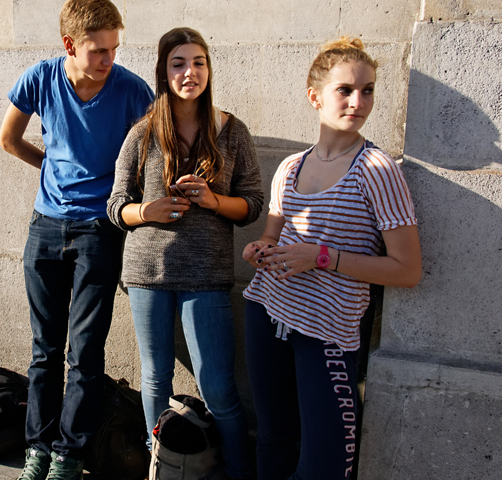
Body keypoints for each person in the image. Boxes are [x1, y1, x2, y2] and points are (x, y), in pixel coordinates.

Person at [241, 37, 422, 480]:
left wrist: (323, 257)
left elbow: (407, 270)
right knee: (273, 438)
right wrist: (257, 250)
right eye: (345, 89)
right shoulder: (290, 167)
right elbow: (271, 236)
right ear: (315, 96)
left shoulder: (376, 170)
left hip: (328, 333)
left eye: (369, 90)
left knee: (324, 465)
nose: (359, 101)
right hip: (267, 313)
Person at [0, 0, 154, 480]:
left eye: (114, 49)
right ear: (70, 43)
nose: (109, 59)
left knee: (85, 352)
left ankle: (69, 453)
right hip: (45, 229)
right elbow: (8, 138)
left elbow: (153, 156)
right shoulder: (40, 78)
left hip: (99, 231)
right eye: (98, 50)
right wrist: (50, 167)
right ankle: (37, 449)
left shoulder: (131, 91)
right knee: (44, 351)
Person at [107, 27, 262, 480]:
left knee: (217, 388)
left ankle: (237, 471)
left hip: (207, 276)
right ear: (163, 70)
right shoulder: (142, 133)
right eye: (178, 63)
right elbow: (116, 205)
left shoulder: (231, 131)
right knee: (155, 378)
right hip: (147, 272)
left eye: (198, 62)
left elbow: (253, 203)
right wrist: (148, 210)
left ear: (209, 69)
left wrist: (214, 201)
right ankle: (165, 468)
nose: (188, 72)